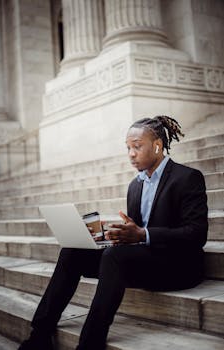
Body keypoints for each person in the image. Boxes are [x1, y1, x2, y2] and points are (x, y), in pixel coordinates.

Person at [18, 116, 208, 350]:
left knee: (114, 257)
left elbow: (196, 234)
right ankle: (40, 335)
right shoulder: (135, 185)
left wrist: (143, 235)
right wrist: (115, 236)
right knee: (73, 251)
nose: (131, 153)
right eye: (128, 147)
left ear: (158, 145)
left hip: (177, 266)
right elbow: (134, 232)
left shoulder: (187, 178)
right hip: (144, 260)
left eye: (137, 146)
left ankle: (90, 344)